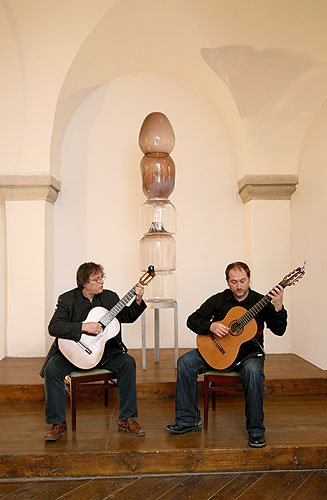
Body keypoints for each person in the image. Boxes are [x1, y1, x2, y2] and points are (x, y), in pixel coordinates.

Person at [166, 261, 287, 448]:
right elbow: (192, 320)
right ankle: (188, 421)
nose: (239, 286)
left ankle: (256, 431)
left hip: (249, 354)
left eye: (242, 281)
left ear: (249, 279)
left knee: (254, 373)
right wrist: (211, 326)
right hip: (219, 351)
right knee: (185, 362)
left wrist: (278, 307)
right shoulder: (219, 300)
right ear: (227, 281)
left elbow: (279, 330)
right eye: (233, 282)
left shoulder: (261, 301)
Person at [40, 262, 147, 441]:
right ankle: (58, 422)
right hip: (73, 350)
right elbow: (54, 327)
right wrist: (83, 327)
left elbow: (126, 317)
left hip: (104, 350)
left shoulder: (110, 297)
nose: (101, 282)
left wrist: (137, 300)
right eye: (96, 279)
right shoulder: (67, 299)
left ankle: (127, 419)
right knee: (52, 369)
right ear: (84, 282)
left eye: (102, 277)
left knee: (128, 363)